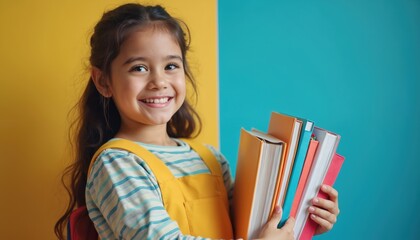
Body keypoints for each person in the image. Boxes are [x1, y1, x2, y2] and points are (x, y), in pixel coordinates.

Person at [55, 3, 340, 239]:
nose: (159, 81)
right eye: (139, 68)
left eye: (170, 66)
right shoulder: (116, 163)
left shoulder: (211, 159)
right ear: (103, 81)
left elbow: (252, 229)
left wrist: (304, 219)